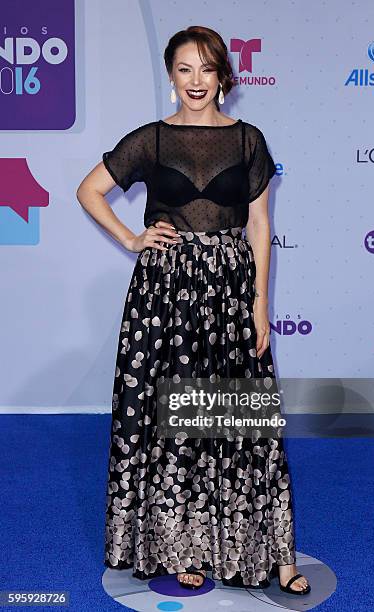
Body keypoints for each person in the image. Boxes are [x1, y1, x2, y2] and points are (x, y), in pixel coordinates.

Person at [76, 25, 311, 595]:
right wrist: (133, 240)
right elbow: (88, 190)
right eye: (185, 69)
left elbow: (259, 225)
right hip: (167, 293)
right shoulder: (151, 140)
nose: (196, 80)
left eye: (206, 68)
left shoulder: (249, 140)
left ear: (223, 76)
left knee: (238, 416)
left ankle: (264, 548)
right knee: (176, 416)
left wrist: (259, 304)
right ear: (171, 76)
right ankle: (183, 545)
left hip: (231, 289)